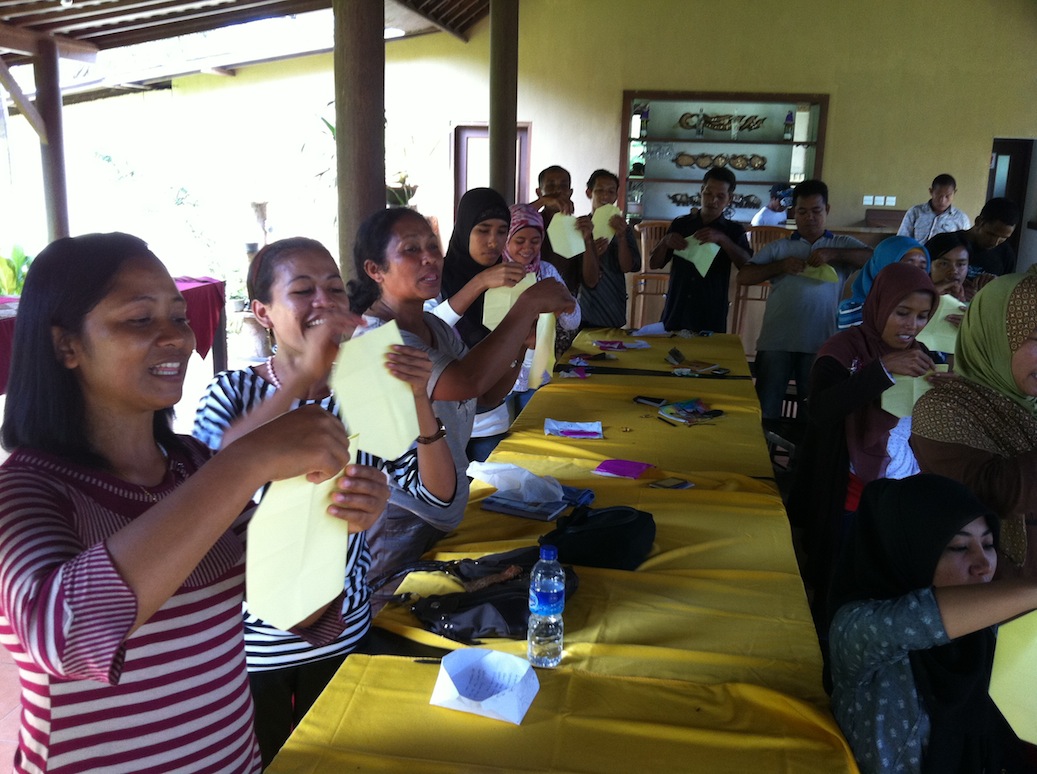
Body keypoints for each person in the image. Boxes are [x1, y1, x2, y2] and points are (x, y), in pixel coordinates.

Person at [0, 232, 390, 772]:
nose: (176, 339)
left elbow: (296, 608)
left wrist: (333, 519)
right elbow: (66, 635)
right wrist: (244, 462)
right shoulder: (25, 492)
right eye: (139, 319)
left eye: (180, 318)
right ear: (66, 345)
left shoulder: (191, 467)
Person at [192, 237, 455, 766]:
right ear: (264, 313)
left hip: (343, 632)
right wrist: (302, 381)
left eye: (334, 289)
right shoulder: (233, 393)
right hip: (251, 649)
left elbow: (437, 492)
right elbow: (206, 484)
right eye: (303, 290)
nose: (324, 302)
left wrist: (420, 399)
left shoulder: (363, 389)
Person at [347, 207, 575, 602]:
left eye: (432, 247)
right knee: (391, 618)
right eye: (411, 250)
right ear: (375, 269)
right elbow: (466, 380)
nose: (429, 258)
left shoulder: (431, 326)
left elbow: (482, 394)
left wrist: (520, 348)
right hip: (398, 519)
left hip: (440, 508)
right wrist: (526, 307)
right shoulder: (377, 340)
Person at [828, 474, 1031, 774]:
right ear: (910, 550)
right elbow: (921, 619)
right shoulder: (856, 630)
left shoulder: (987, 635)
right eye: (960, 548)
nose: (984, 564)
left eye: (988, 544)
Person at [788, 263, 937, 624]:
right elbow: (822, 409)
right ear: (880, 305)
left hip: (900, 491)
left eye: (922, 317)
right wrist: (882, 370)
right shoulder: (844, 349)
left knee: (883, 584)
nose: (911, 326)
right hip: (849, 491)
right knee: (838, 578)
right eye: (902, 313)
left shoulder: (922, 355)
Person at [912, 271, 1037, 578]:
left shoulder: (1029, 403)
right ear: (994, 333)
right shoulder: (941, 409)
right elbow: (993, 493)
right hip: (993, 599)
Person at [737, 179, 872, 419]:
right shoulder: (779, 248)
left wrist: (834, 254)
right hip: (775, 342)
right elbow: (744, 276)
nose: (809, 217)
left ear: (827, 210)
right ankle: (762, 456)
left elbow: (875, 260)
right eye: (802, 211)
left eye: (816, 211)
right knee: (764, 412)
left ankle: (803, 457)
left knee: (815, 414)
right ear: (794, 212)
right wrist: (780, 266)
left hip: (821, 344)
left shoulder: (840, 244)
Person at [649, 167, 752, 333]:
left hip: (710, 311)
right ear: (701, 191)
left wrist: (723, 240)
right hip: (677, 307)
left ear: (729, 199)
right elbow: (654, 264)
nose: (713, 200)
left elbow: (747, 265)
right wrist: (664, 243)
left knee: (707, 357)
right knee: (668, 356)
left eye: (720, 196)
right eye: (708, 193)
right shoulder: (681, 224)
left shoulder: (734, 230)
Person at [502, 203, 581, 415]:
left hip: (538, 373)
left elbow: (572, 323)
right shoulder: (495, 274)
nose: (528, 247)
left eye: (535, 241)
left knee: (533, 432)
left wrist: (568, 306)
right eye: (519, 241)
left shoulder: (546, 272)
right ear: (505, 240)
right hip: (501, 377)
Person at [578, 169, 641, 328]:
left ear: (616, 196)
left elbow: (628, 267)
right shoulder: (580, 226)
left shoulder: (622, 228)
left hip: (612, 303)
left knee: (610, 349)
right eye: (600, 191)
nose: (605, 196)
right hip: (583, 303)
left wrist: (621, 237)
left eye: (611, 191)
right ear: (589, 192)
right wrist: (591, 253)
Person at [528, 165, 599, 297]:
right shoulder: (529, 222)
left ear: (570, 192)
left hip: (564, 303)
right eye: (550, 185)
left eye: (563, 186)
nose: (557, 190)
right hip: (528, 299)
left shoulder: (578, 227)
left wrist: (588, 240)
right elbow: (512, 216)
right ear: (539, 192)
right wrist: (542, 202)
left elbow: (592, 281)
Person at [836, 236, 929, 329]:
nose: (916, 274)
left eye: (922, 268)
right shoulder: (854, 311)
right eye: (908, 266)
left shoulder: (924, 308)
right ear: (883, 267)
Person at [956, 197, 1021, 297]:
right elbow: (924, 279)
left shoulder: (1006, 254)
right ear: (978, 221)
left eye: (1004, 238)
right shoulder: (946, 242)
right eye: (991, 234)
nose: (995, 242)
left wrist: (997, 284)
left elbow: (1008, 293)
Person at [896, 173, 971, 243]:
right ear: (931, 191)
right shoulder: (915, 212)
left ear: (954, 193)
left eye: (947, 196)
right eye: (938, 195)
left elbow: (965, 245)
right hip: (917, 255)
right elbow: (902, 240)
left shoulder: (961, 218)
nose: (942, 200)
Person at [925, 231, 971, 301]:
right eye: (944, 264)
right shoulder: (909, 293)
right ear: (928, 265)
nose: (954, 271)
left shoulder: (973, 299)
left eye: (960, 264)